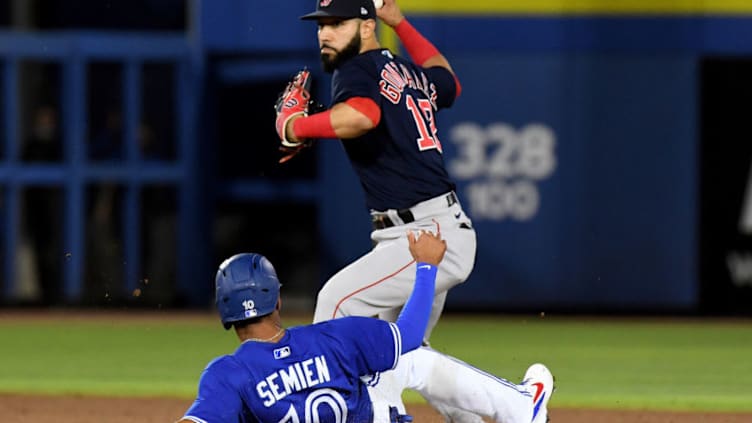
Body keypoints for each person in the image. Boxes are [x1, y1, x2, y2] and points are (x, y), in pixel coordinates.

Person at [177, 231, 554, 423]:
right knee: (405, 359)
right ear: (277, 299)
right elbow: (407, 334)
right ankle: (520, 406)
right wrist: (425, 268)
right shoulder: (333, 337)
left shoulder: (226, 374)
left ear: (226, 316)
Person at [280, 0, 476, 347]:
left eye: (338, 24)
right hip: (432, 229)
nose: (325, 33)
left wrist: (297, 127)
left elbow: (362, 116)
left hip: (421, 233)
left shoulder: (355, 68)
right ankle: (512, 403)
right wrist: (399, 22)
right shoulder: (408, 72)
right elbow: (449, 81)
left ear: (367, 27)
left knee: (336, 302)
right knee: (404, 354)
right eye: (321, 26)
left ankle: (323, 399)